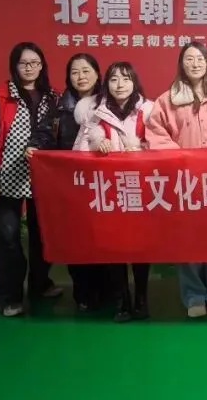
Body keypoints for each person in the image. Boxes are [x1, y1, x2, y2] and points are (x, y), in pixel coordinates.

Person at [0, 42, 61, 317]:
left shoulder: (53, 97)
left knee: (43, 235)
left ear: (42, 65)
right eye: (24, 63)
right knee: (7, 238)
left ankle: (40, 283)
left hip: (43, 179)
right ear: (14, 66)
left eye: (35, 63)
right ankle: (10, 296)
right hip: (8, 178)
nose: (29, 68)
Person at [145, 42, 207, 319]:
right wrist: (182, 159)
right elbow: (156, 134)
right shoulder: (167, 100)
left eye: (200, 59)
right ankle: (194, 295)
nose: (195, 64)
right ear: (181, 63)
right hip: (184, 181)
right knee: (188, 239)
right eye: (189, 59)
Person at [73, 61, 155, 323]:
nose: (120, 85)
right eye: (114, 79)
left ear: (135, 83)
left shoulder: (148, 110)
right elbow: (80, 149)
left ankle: (141, 298)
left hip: (141, 190)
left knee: (141, 247)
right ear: (106, 84)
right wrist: (98, 145)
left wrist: (141, 150)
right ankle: (122, 300)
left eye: (126, 79)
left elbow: (161, 144)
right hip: (109, 192)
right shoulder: (95, 112)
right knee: (114, 247)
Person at [29, 53, 106, 313]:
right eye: (75, 72)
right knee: (77, 240)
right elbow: (44, 134)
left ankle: (108, 288)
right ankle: (83, 292)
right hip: (72, 185)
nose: (81, 77)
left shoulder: (109, 102)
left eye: (86, 71)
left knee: (104, 238)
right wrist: (35, 146)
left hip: (104, 184)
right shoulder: (60, 106)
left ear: (97, 74)